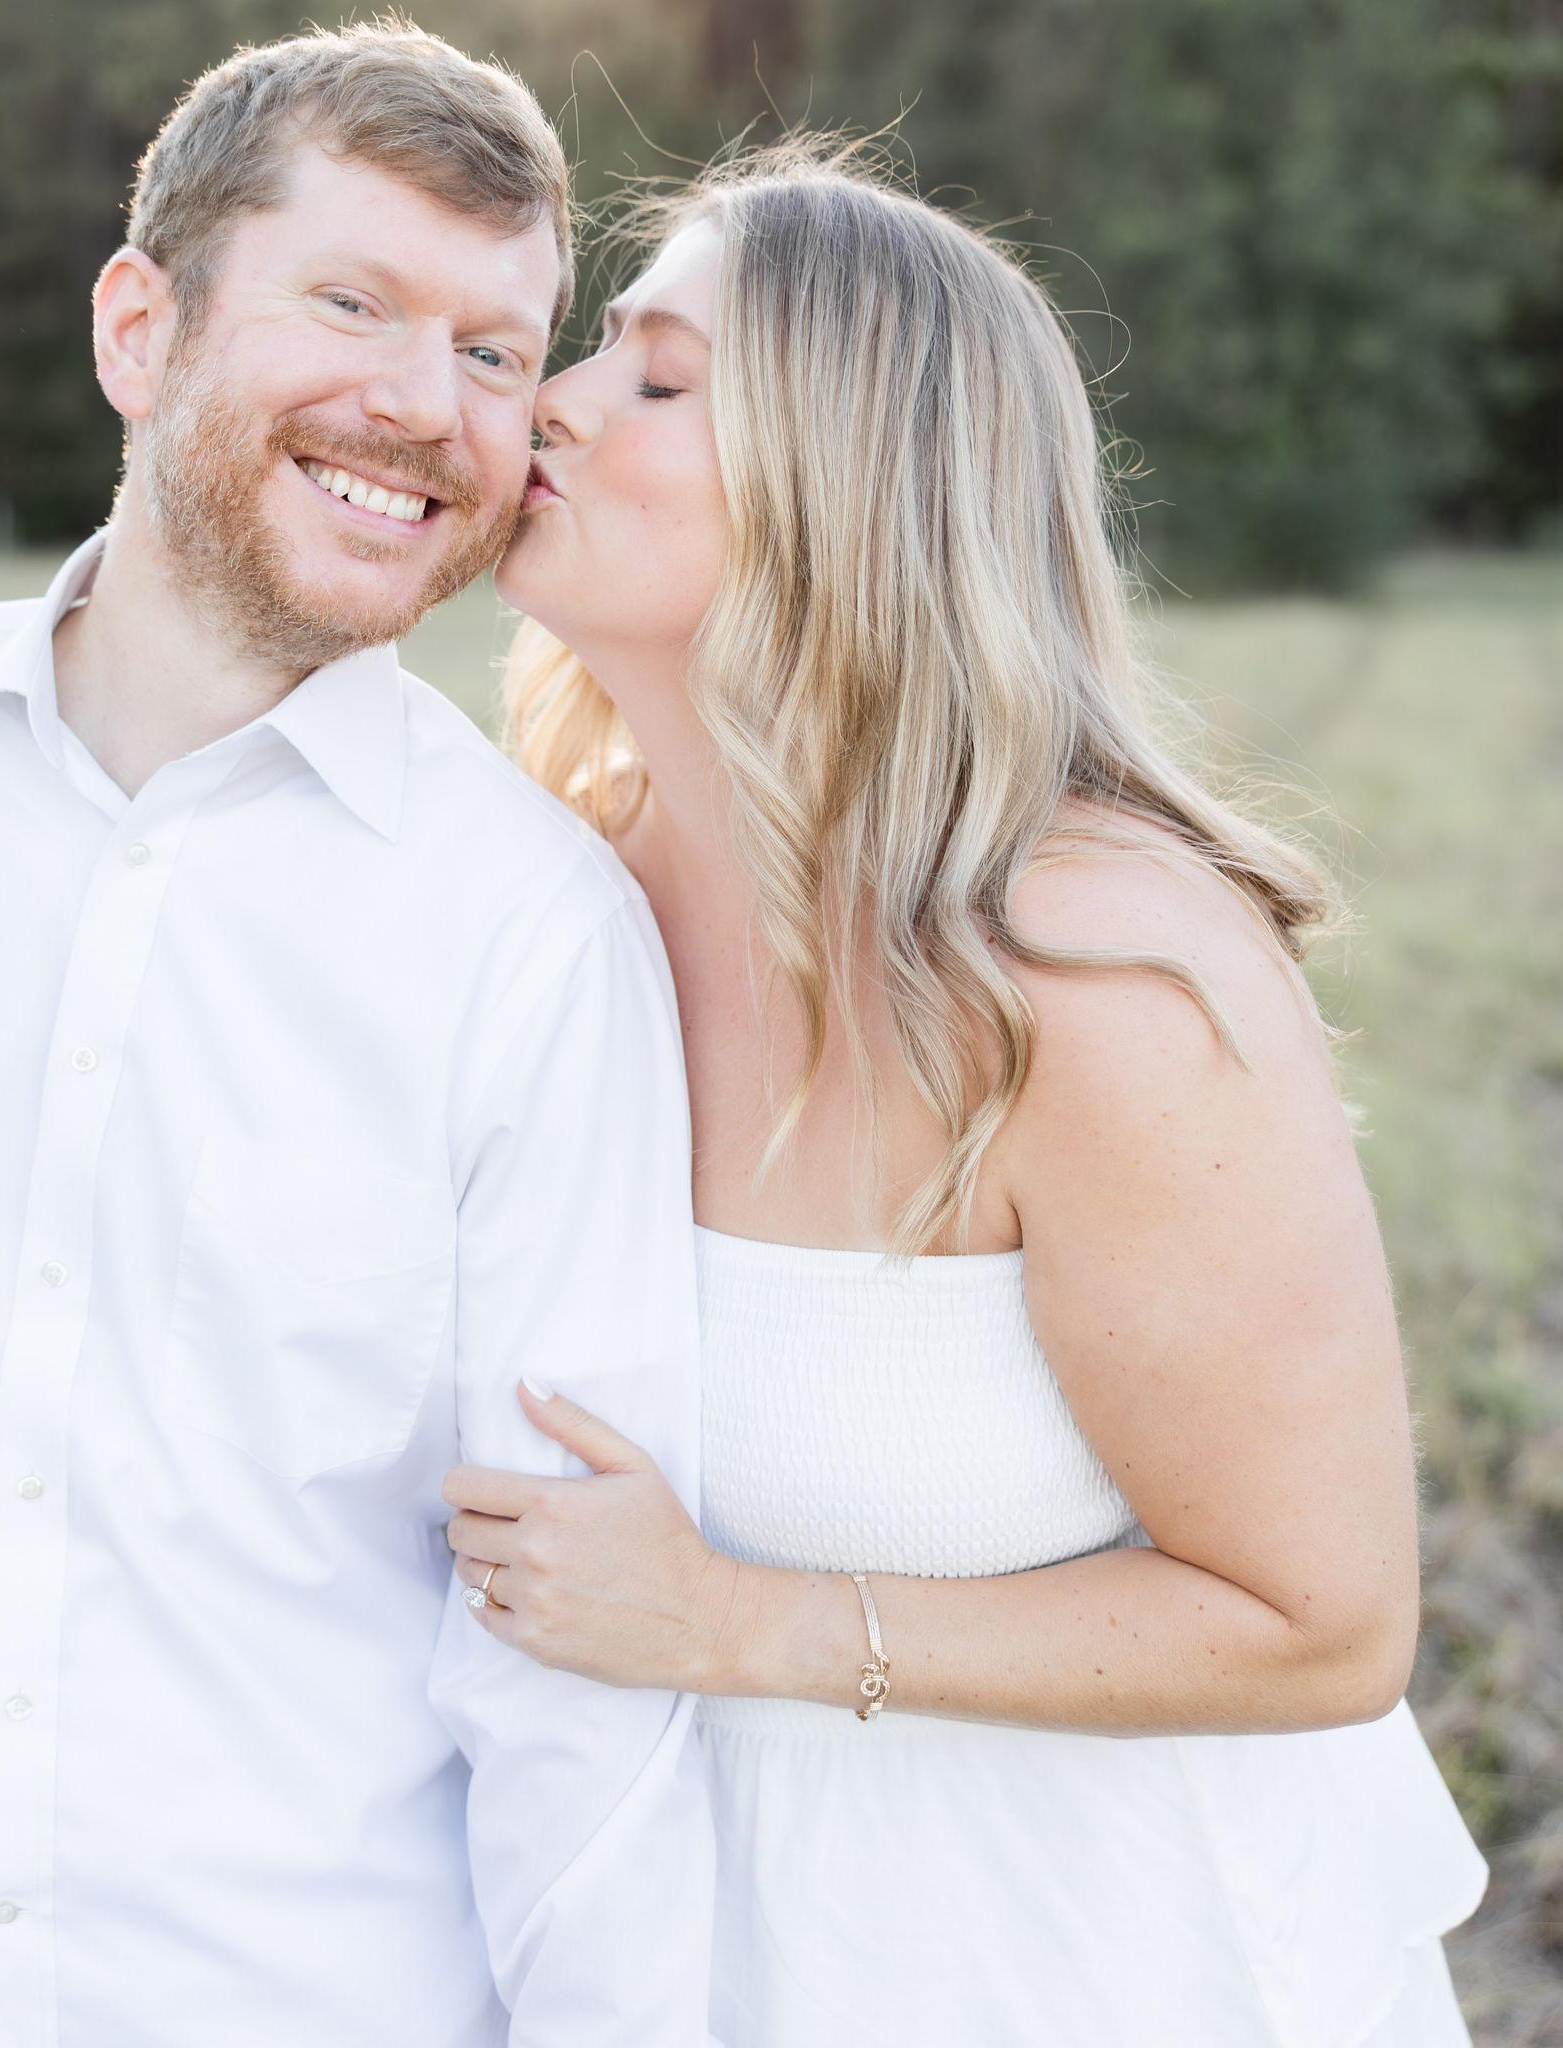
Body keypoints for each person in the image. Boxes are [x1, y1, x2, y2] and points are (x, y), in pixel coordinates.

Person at [0, 25, 718, 2048]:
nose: (424, 404)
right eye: (353, 302)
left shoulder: (537, 936)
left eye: (495, 351)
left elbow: (570, 1665)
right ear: (138, 330)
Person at [443, 141, 1490, 2046]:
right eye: (597, 349)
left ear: (852, 484)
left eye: (658, 379)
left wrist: (735, 1625)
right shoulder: (550, 887)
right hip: (722, 1973)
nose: (555, 403)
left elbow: (1320, 1622)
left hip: (1110, 1972)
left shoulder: (1089, 969)